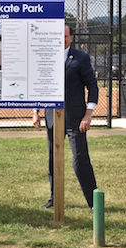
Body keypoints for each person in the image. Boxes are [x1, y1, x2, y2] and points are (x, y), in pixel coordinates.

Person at [32, 25, 98, 209]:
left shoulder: (80, 58)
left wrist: (88, 114)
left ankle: (94, 202)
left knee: (80, 159)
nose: (61, 39)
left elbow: (92, 86)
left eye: (64, 36)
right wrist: (36, 111)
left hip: (76, 119)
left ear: (70, 38)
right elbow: (40, 86)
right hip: (53, 117)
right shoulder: (45, 57)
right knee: (53, 159)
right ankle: (55, 198)